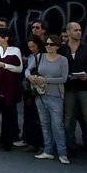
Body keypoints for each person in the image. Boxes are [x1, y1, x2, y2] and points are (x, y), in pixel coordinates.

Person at [28, 35, 70, 164]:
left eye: (51, 44)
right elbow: (28, 69)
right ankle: (48, 151)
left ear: (57, 46)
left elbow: (64, 79)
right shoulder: (40, 57)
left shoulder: (63, 60)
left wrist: (46, 80)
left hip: (55, 96)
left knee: (57, 125)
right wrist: (30, 77)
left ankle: (63, 153)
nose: (48, 46)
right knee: (44, 123)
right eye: (47, 44)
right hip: (40, 94)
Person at [60, 21, 87, 158]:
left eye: (80, 30)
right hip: (69, 88)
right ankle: (70, 147)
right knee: (68, 119)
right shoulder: (62, 49)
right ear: (68, 32)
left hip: (85, 88)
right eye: (75, 30)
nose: (79, 32)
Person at [0, 28, 23, 151]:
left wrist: (5, 65)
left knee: (8, 115)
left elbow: (19, 68)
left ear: (6, 38)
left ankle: (7, 141)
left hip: (8, 86)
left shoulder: (15, 50)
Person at [19, 36, 45, 153]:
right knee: (31, 116)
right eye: (30, 47)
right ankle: (32, 142)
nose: (32, 49)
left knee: (39, 118)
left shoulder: (41, 56)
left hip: (39, 88)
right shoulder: (31, 56)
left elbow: (28, 70)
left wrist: (29, 75)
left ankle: (40, 144)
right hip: (30, 89)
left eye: (34, 46)